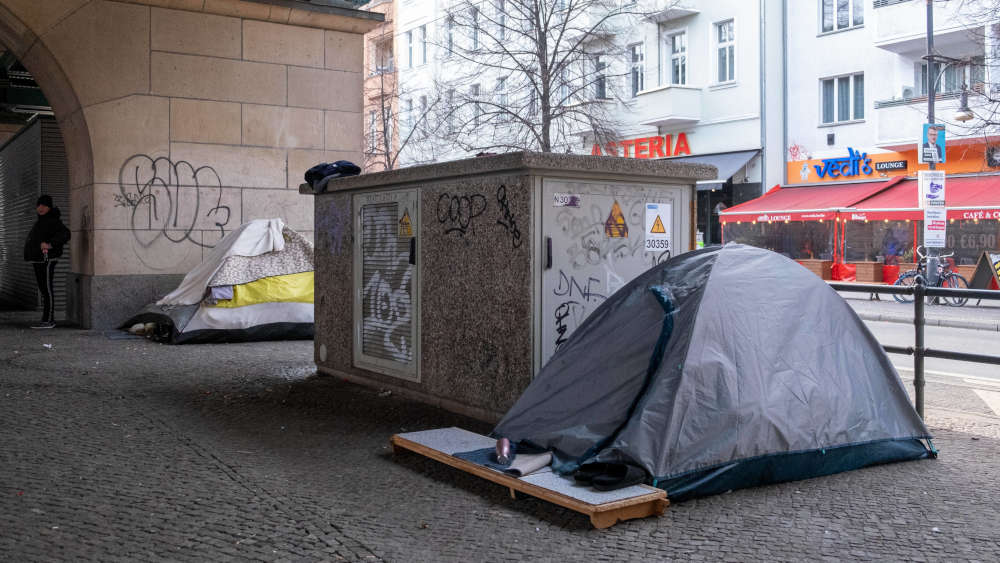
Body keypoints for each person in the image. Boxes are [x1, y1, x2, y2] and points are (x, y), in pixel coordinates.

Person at [23, 194, 70, 329]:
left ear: (49, 207)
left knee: (47, 289)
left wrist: (50, 244)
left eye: (44, 205)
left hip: (47, 259)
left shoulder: (53, 220)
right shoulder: (41, 221)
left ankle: (49, 320)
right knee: (44, 289)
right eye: (39, 205)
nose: (40, 208)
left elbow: (66, 234)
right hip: (38, 260)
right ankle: (46, 319)